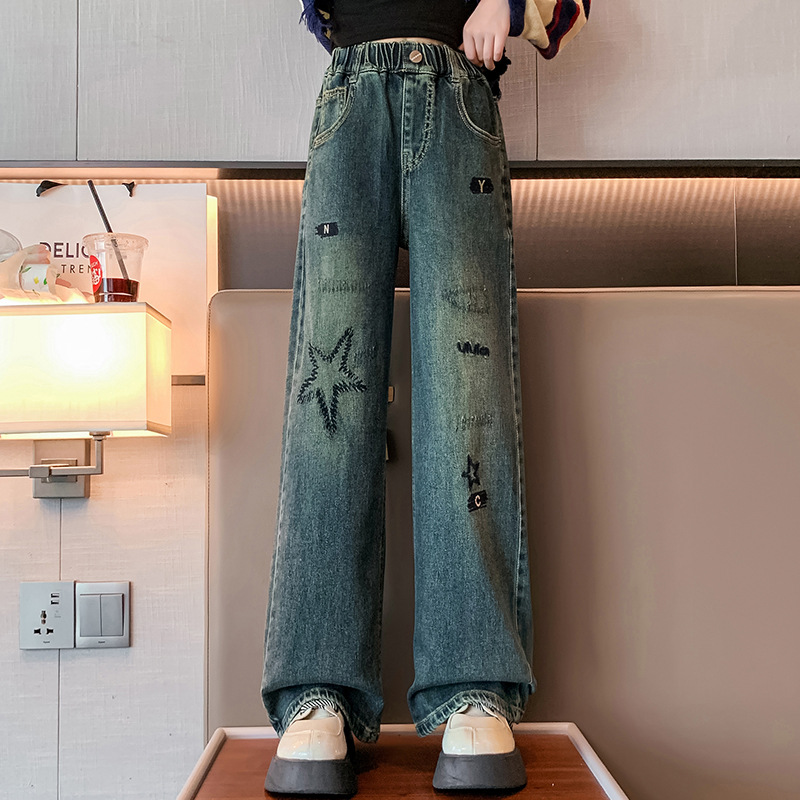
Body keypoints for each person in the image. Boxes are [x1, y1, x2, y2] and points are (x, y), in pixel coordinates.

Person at [262, 1, 590, 795]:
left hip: (457, 94)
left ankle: (472, 685)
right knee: (328, 407)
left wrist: (508, 3)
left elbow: (571, 11)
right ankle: (318, 691)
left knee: (465, 394)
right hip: (350, 94)